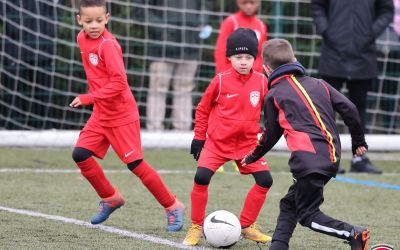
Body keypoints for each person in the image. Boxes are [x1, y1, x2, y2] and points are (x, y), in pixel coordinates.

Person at [242, 38, 371, 250]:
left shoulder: (274, 95)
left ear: (265, 69)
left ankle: (353, 233)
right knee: (289, 203)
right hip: (330, 155)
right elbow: (350, 109)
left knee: (308, 215)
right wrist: (358, 141)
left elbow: (271, 134)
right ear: (295, 59)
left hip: (307, 159)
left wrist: (252, 156)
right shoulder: (320, 84)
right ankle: (279, 246)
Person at [69, 0, 185, 231]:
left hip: (121, 115)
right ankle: (110, 198)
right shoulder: (81, 38)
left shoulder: (108, 46)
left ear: (108, 18)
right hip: (102, 113)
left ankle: (172, 205)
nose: (94, 25)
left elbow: (120, 83)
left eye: (99, 21)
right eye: (89, 21)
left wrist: (89, 97)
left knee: (136, 165)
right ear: (79, 20)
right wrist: (96, 100)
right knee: (80, 154)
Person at [182, 28, 273, 246]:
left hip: (249, 145)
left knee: (265, 180)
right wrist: (199, 138)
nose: (243, 62)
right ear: (229, 58)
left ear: (255, 59)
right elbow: (203, 109)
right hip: (217, 144)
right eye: (238, 57)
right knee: (201, 178)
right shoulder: (220, 81)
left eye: (249, 57)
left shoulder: (262, 82)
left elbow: (273, 112)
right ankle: (196, 226)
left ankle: (246, 225)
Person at [311, 0, 393, 174]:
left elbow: (386, 10)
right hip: (333, 53)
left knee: (359, 108)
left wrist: (370, 33)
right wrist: (327, 30)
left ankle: (359, 158)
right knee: (326, 107)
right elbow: (317, 5)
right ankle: (327, 158)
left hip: (364, 54)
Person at [134, 1, 209, 131]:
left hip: (189, 45)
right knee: (158, 88)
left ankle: (182, 133)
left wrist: (198, 25)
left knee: (184, 89)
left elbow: (205, 6)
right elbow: (140, 9)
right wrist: (163, 29)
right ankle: (154, 131)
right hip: (161, 47)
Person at [214, 0, 267, 74]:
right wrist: (223, 75)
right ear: (238, 3)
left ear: (258, 3)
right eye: (244, 3)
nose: (248, 6)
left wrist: (258, 74)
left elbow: (261, 54)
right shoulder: (231, 22)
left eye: (252, 3)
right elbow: (221, 51)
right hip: (233, 76)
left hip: (253, 76)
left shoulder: (261, 25)